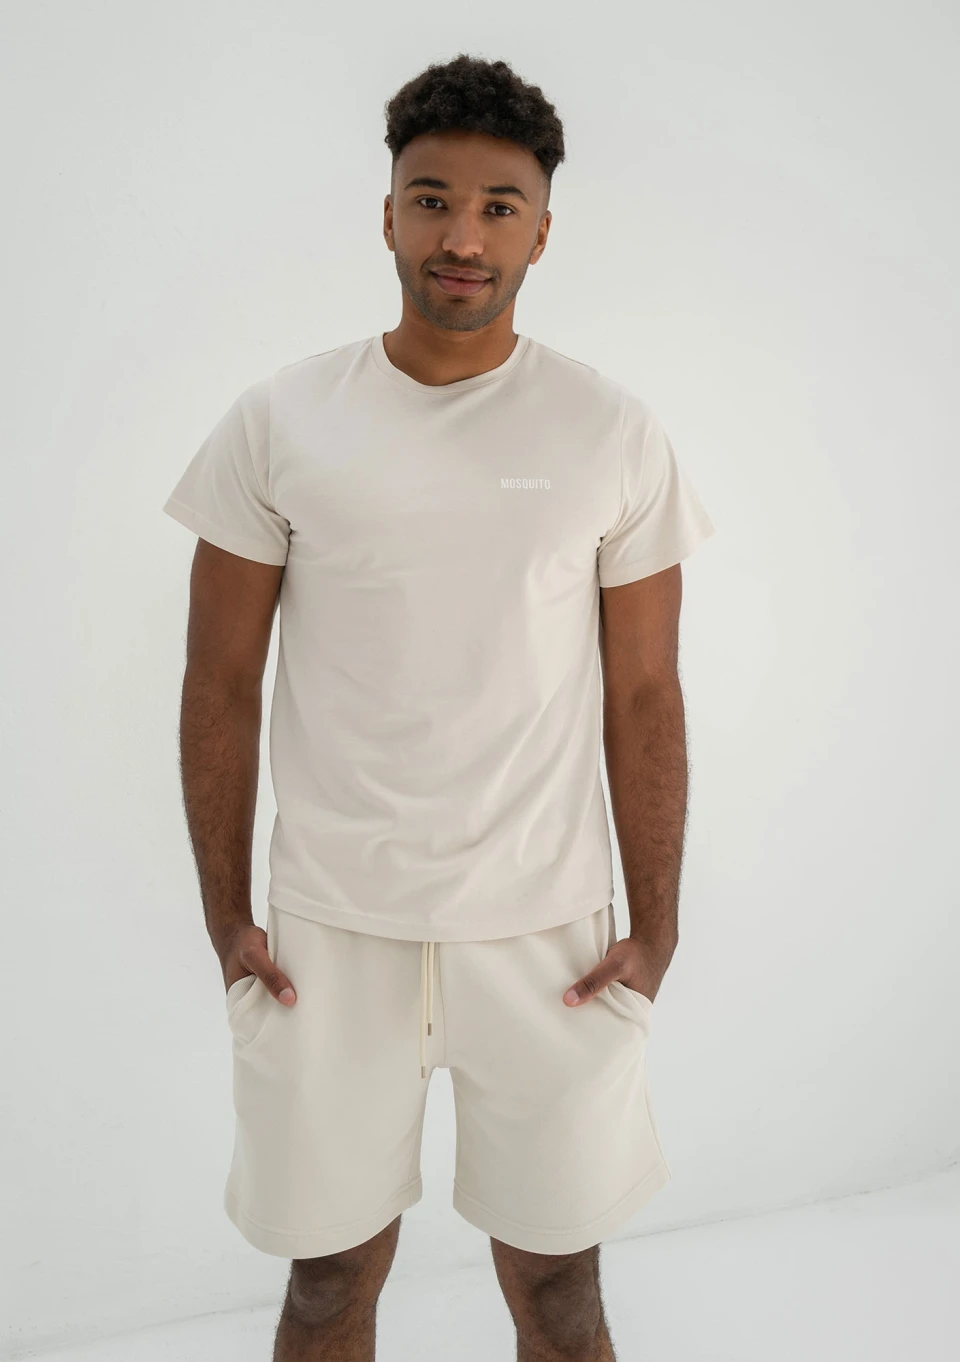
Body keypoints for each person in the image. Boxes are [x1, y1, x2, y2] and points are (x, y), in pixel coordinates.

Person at [162, 51, 716, 1362]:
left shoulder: (610, 431)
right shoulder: (280, 420)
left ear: (541, 230)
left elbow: (646, 690)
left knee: (561, 1290)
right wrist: (226, 912)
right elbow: (219, 680)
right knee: (324, 1286)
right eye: (432, 200)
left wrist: (657, 924)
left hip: (549, 938)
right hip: (328, 937)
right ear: (389, 213)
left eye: (498, 206)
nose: (463, 236)